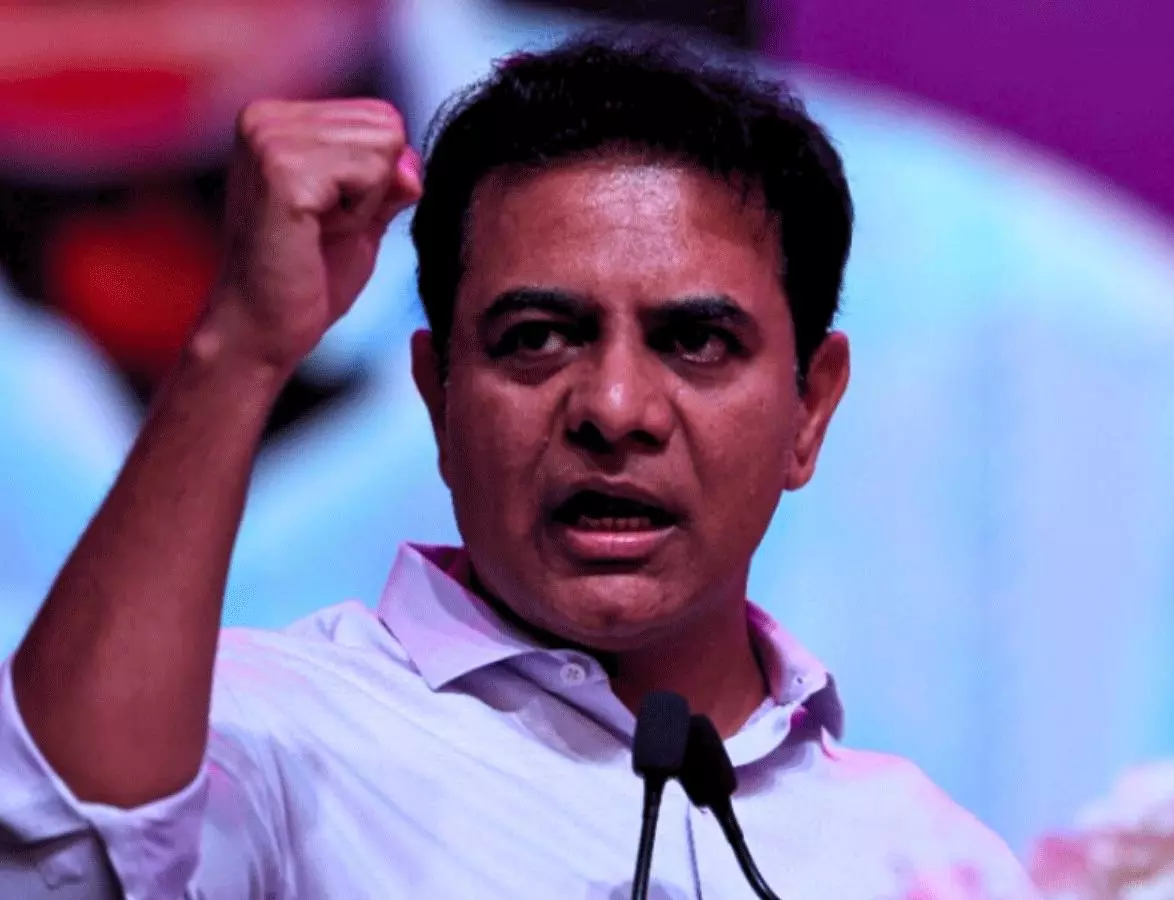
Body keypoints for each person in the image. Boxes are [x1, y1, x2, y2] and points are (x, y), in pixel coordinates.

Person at [0, 36, 1039, 898]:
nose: (613, 410)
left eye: (695, 343)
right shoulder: (263, 732)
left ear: (808, 408)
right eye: (537, 338)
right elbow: (55, 845)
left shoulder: (926, 854)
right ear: (438, 395)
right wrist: (244, 345)